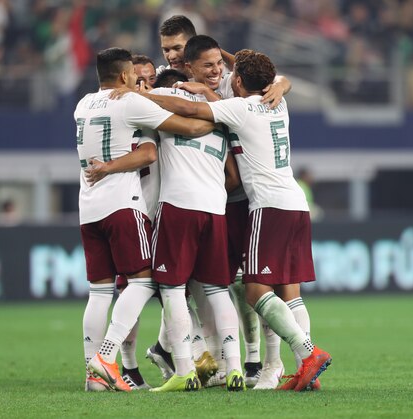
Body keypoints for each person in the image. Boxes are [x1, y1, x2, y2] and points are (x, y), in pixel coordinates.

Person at [141, 49, 332, 392]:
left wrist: (142, 95)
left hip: (268, 207)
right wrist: (271, 77)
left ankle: (307, 353)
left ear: (239, 80)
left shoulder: (241, 108)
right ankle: (305, 370)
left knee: (255, 290)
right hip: (296, 204)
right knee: (289, 292)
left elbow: (190, 109)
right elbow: (265, 77)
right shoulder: (278, 101)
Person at [77, 47, 215, 392]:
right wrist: (219, 116)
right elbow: (188, 127)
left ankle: (93, 375)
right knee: (144, 281)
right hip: (123, 205)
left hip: (88, 207)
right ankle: (106, 358)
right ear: (124, 76)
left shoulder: (82, 105)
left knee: (99, 291)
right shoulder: (131, 103)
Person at [143, 69, 244, 392]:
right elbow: (233, 176)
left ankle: (184, 370)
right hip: (215, 208)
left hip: (178, 205)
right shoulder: (219, 111)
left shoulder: (165, 105)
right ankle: (235, 368)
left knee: (171, 290)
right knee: (217, 291)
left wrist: (140, 93)